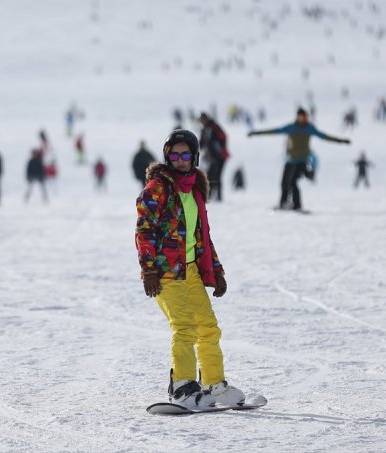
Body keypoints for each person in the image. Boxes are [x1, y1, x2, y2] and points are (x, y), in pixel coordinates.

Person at [135, 129, 244, 408]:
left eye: (185, 155)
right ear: (167, 157)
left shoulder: (195, 188)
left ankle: (213, 384)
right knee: (184, 327)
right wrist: (149, 270)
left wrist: (216, 270)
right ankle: (183, 386)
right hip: (166, 272)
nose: (180, 160)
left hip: (192, 269)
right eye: (174, 154)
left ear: (194, 157)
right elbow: (144, 230)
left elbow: (202, 237)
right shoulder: (157, 188)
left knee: (208, 327)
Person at [248, 108, 350, 210]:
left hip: (302, 161)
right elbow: (274, 131)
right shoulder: (291, 127)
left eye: (305, 117)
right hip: (290, 160)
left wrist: (340, 141)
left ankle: (297, 205)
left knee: (292, 182)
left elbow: (324, 136)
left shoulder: (309, 128)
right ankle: (283, 203)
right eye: (301, 116)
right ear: (298, 117)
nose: (303, 119)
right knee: (284, 183)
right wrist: (256, 133)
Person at [198, 112, 230, 201]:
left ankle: (217, 197)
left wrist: (219, 150)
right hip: (213, 157)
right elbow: (201, 144)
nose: (201, 121)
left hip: (220, 156)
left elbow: (223, 137)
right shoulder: (205, 129)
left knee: (216, 176)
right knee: (210, 175)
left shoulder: (213, 127)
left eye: (202, 119)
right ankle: (211, 195)